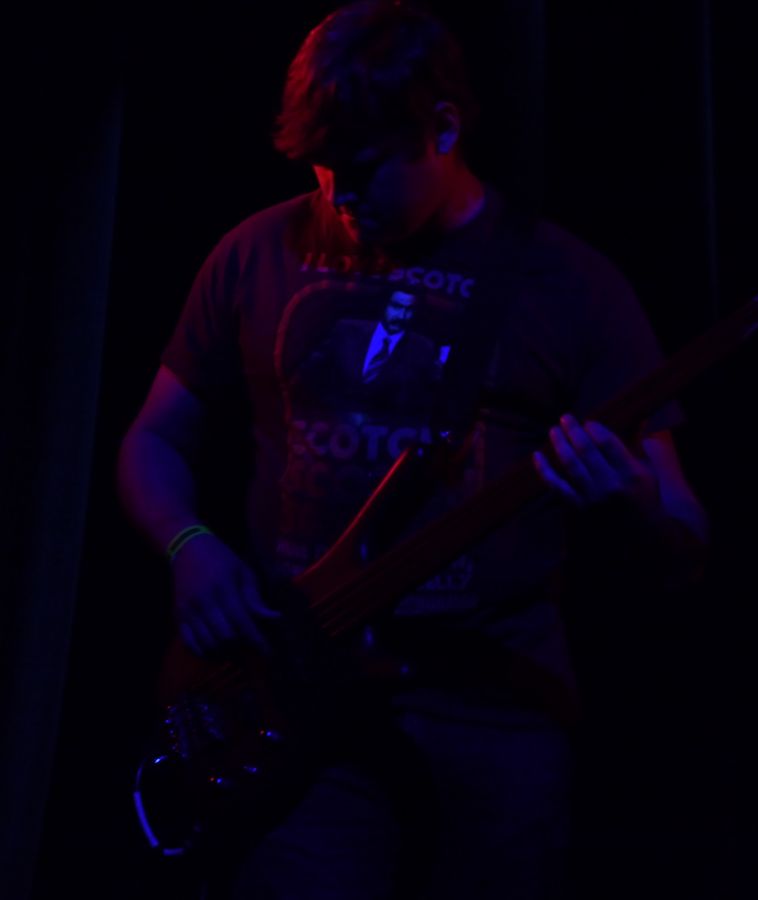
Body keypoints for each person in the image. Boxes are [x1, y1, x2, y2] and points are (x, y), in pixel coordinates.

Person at [116, 2, 708, 897]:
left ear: (443, 129)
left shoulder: (573, 285)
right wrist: (188, 546)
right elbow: (155, 437)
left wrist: (632, 503)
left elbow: (686, 537)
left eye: (360, 170)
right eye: (320, 170)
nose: (336, 198)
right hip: (299, 698)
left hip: (496, 709)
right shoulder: (256, 250)